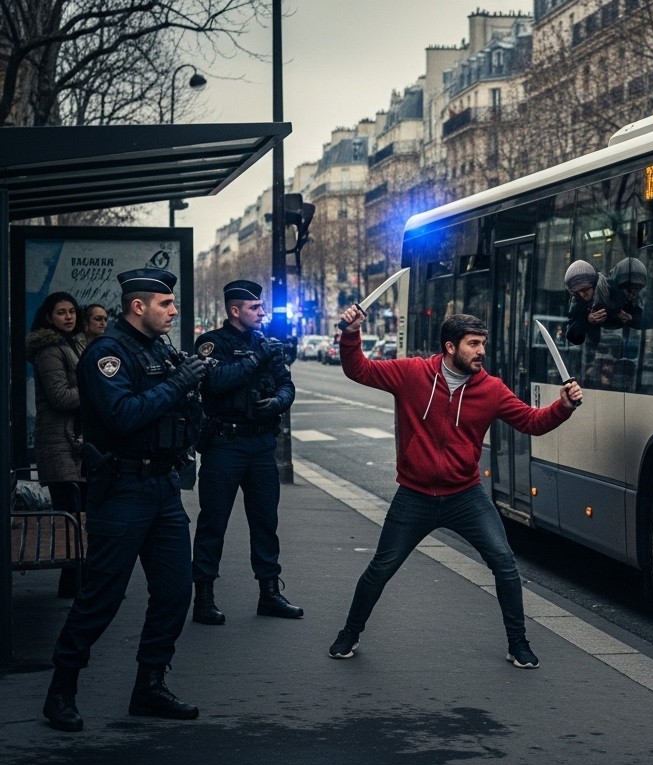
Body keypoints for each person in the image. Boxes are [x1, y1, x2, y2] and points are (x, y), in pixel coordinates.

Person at [326, 308, 581, 668]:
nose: (481, 351)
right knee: (381, 567)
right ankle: (349, 634)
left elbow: (530, 422)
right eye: (473, 344)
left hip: (465, 495)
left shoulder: (491, 389)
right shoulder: (412, 373)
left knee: (505, 563)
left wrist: (564, 406)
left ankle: (518, 644)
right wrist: (351, 333)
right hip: (414, 495)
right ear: (450, 347)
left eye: (483, 344)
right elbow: (359, 369)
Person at [43, 268, 209, 732]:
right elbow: (122, 415)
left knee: (176, 591)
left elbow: (177, 410)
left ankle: (149, 686)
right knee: (101, 596)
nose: (174, 311)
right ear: (139, 307)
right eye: (166, 304)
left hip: (162, 487)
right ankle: (62, 689)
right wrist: (179, 384)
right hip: (121, 490)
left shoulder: (159, 348)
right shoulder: (107, 354)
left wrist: (194, 390)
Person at [189, 280, 301, 625]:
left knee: (266, 522)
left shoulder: (266, 343)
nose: (262, 313)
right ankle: (204, 597)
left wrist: (278, 403)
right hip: (225, 444)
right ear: (235, 310)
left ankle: (269, 592)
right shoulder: (211, 343)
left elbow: (287, 384)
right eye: (255, 308)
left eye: (261, 307)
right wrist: (256, 359)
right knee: (213, 522)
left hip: (260, 445)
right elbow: (216, 382)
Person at [25, 291, 87, 597]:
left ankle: (77, 583)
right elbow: (61, 397)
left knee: (78, 513)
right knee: (71, 513)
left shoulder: (71, 344)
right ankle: (73, 586)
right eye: (61, 312)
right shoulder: (50, 350)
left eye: (72, 311)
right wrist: (95, 392)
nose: (69, 317)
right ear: (49, 317)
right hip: (59, 443)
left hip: (71, 442)